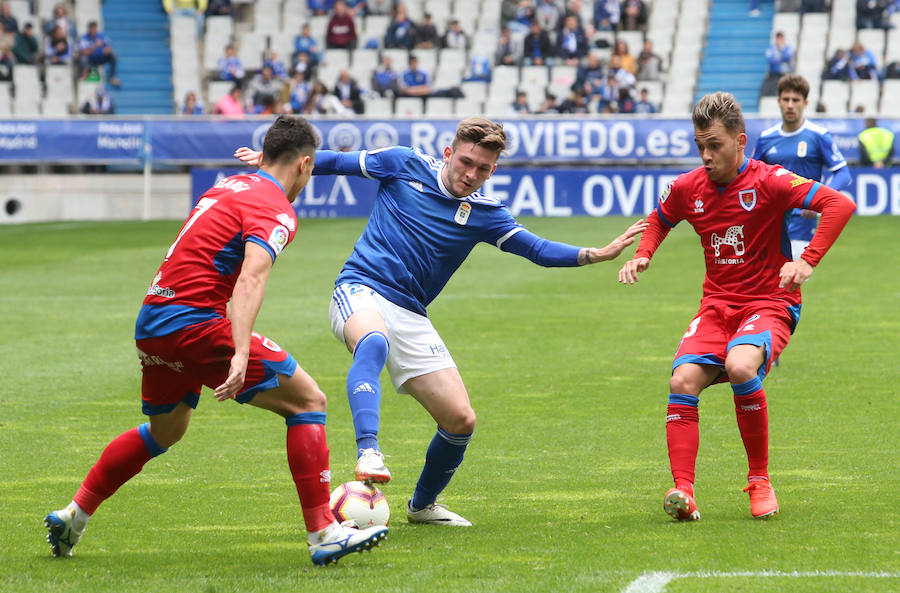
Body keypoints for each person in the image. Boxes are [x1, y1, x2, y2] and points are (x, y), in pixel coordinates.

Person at [236, 118, 647, 526]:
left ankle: (422, 506)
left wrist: (597, 253)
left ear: (493, 171)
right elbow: (337, 162)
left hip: (411, 312)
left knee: (460, 420)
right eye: (466, 162)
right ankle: (369, 450)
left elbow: (536, 249)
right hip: (360, 288)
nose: (471, 175)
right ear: (448, 153)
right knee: (373, 341)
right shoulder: (403, 163)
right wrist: (277, 165)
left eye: (482, 169)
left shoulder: (487, 213)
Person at [43, 115, 388, 566]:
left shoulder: (228, 187)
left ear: (265, 155)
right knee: (307, 401)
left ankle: (74, 515)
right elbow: (250, 278)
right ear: (305, 165)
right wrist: (240, 350)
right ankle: (324, 531)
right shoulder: (276, 207)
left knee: (167, 429)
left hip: (153, 321)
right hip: (195, 322)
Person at [617, 92, 856, 522]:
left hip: (771, 301)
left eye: (715, 145)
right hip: (717, 306)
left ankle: (760, 481)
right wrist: (644, 253)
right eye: (700, 147)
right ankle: (683, 492)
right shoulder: (690, 187)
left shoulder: (771, 181)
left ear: (740, 140)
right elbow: (660, 218)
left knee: (742, 366)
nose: (706, 156)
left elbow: (839, 203)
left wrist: (807, 260)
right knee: (682, 381)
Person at [753, 74, 851, 261]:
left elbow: (843, 173)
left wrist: (820, 198)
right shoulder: (766, 138)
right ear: (779, 101)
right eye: (786, 99)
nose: (790, 105)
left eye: (795, 100)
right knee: (769, 285)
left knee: (790, 281)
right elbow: (753, 175)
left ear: (805, 103)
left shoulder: (818, 136)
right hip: (770, 224)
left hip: (802, 224)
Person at [78, 21, 120, 87]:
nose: (93, 30)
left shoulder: (102, 36)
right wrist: (95, 46)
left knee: (113, 55)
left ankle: (112, 77)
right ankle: (84, 76)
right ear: (88, 29)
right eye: (91, 29)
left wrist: (107, 50)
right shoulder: (84, 38)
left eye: (94, 29)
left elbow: (109, 46)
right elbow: (83, 52)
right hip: (90, 60)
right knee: (83, 58)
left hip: (100, 58)